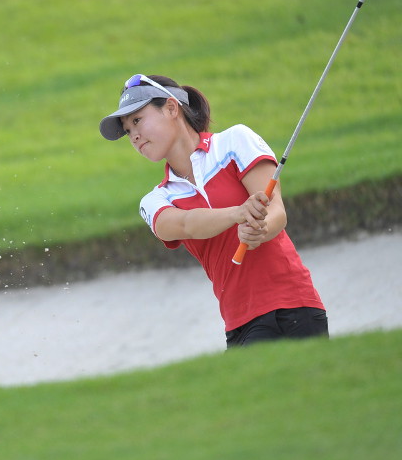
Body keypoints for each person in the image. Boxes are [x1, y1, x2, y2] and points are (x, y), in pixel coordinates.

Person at [99, 73, 328, 348]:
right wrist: (238, 214)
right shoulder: (155, 200)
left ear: (172, 108)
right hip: (239, 323)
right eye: (127, 131)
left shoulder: (234, 142)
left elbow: (276, 211)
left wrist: (260, 229)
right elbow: (185, 224)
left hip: (294, 304)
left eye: (137, 120)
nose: (133, 135)